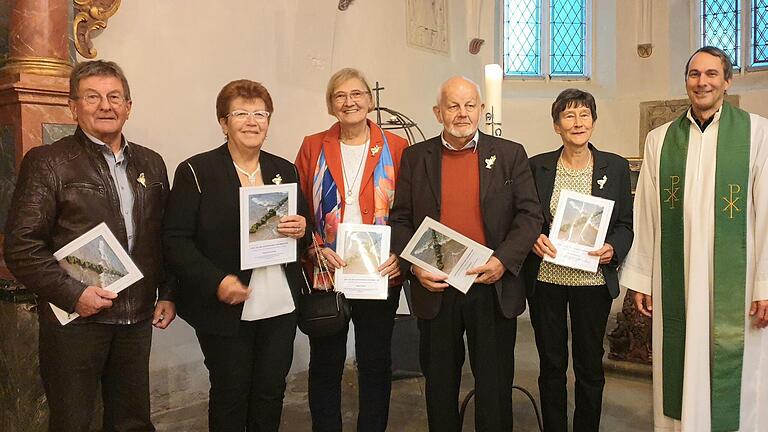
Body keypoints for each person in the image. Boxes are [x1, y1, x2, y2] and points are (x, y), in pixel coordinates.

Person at [3, 60, 176, 431]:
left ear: (129, 106)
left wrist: (168, 292)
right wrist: (73, 293)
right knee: (74, 422)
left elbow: (164, 235)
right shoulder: (49, 162)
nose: (105, 106)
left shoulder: (151, 162)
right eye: (92, 97)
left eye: (115, 97)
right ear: (73, 106)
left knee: (132, 422)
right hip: (76, 322)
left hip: (136, 317)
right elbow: (21, 246)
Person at [621, 46, 768, 431]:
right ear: (686, 81)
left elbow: (767, 212)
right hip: (677, 277)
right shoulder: (661, 139)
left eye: (711, 74)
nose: (701, 82)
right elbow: (648, 213)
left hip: (736, 280)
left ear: (727, 81)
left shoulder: (756, 133)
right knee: (679, 364)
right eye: (694, 74)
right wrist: (641, 278)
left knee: (734, 374)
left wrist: (764, 283)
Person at [389, 76, 543, 431]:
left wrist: (502, 260)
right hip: (437, 286)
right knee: (440, 386)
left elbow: (530, 215)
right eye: (453, 105)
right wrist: (414, 268)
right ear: (437, 111)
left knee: (494, 386)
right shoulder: (416, 157)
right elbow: (400, 220)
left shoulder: (509, 154)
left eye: (470, 105)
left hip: (490, 285)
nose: (462, 113)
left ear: (482, 110)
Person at [162, 79, 310, 432]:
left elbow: (302, 236)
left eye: (260, 113)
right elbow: (175, 239)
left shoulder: (283, 169)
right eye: (241, 113)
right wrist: (217, 280)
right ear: (223, 122)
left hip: (279, 303)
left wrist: (301, 230)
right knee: (231, 393)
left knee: (271, 392)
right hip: (225, 305)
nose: (252, 121)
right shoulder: (197, 171)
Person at [294, 67, 408, 432]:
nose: (349, 101)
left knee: (375, 362)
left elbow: (410, 208)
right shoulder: (313, 145)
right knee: (326, 362)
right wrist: (312, 249)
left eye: (357, 94)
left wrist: (401, 255)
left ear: (370, 101)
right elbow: (297, 207)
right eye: (340, 95)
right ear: (331, 104)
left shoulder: (397, 147)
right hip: (327, 270)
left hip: (378, 273)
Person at [524, 89, 633, 432]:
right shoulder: (537, 166)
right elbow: (525, 218)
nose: (577, 122)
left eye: (584, 115)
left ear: (594, 122)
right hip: (547, 281)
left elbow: (627, 224)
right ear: (556, 125)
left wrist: (613, 247)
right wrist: (532, 238)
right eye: (569, 116)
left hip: (593, 282)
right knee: (552, 364)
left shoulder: (614, 167)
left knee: (589, 365)